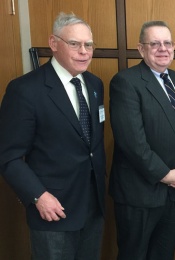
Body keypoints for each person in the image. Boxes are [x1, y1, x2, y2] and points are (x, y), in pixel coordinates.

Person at [0, 12, 106, 259]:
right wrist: (37, 196)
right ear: (53, 43)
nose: (84, 51)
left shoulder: (94, 84)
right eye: (75, 44)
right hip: (52, 208)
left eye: (88, 44)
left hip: (93, 204)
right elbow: (8, 156)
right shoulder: (25, 90)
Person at [109, 20, 175, 260]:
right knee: (134, 255)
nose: (163, 48)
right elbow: (132, 142)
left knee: (164, 254)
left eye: (168, 43)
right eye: (155, 43)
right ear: (141, 49)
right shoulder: (126, 82)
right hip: (139, 193)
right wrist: (164, 175)